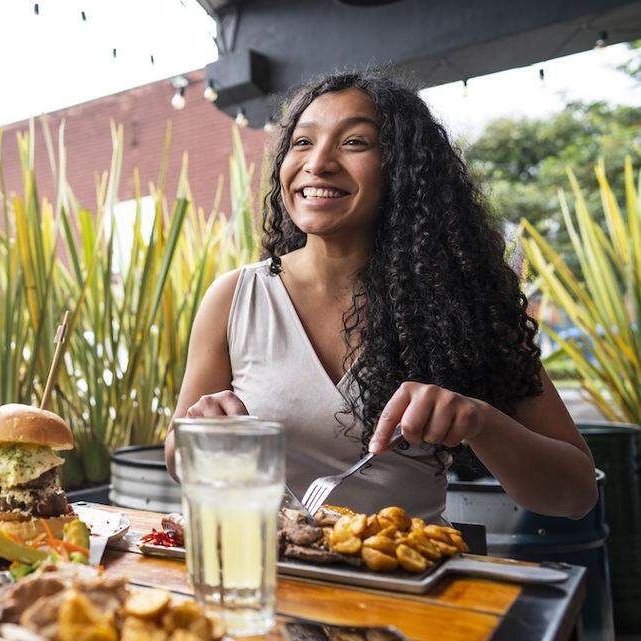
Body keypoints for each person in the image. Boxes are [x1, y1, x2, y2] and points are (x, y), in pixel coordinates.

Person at [165, 72, 597, 521]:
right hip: (265, 573)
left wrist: (481, 421)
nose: (319, 162)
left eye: (354, 142)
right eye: (302, 142)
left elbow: (575, 495)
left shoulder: (462, 305)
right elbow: (178, 459)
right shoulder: (236, 297)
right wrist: (200, 434)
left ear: (404, 168)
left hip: (406, 575)